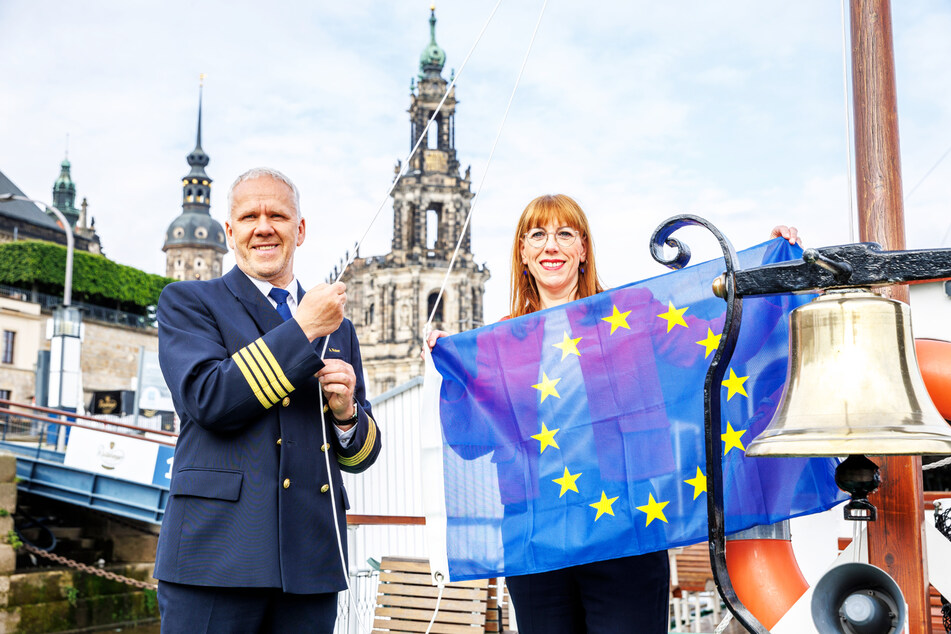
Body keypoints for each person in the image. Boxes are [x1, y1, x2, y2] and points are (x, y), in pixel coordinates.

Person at [426, 193, 798, 633]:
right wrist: (456, 372)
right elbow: (469, 444)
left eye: (565, 233)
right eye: (538, 235)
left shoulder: (632, 314)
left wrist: (775, 274)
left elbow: (718, 341)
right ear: (523, 253)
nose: (552, 245)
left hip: (627, 531)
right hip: (536, 539)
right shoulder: (500, 345)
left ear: (583, 249)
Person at [154, 167, 381, 633]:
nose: (263, 226)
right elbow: (208, 398)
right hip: (215, 560)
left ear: (299, 230)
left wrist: (345, 415)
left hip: (311, 564)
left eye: (277, 214)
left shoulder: (341, 327)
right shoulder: (189, 302)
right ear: (230, 231)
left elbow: (361, 455)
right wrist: (303, 329)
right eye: (249, 216)